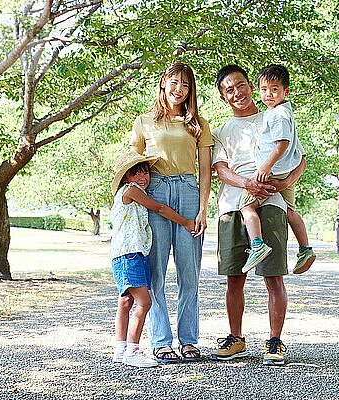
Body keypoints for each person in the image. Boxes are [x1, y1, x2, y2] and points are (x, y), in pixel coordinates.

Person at [209, 65, 307, 366]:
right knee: (234, 277)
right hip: (232, 207)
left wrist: (285, 183)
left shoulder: (275, 114)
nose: (236, 93)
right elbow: (220, 169)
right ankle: (236, 338)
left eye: (240, 85)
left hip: (272, 203)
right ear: (223, 97)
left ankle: (275, 341)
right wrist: (248, 183)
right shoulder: (221, 131)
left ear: (251, 86)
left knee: (273, 276)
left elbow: (299, 158)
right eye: (229, 89)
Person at [129, 63, 213, 363]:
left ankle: (189, 340)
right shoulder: (144, 121)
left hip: (189, 192)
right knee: (156, 273)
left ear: (191, 91)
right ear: (163, 83)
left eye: (186, 85)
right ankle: (162, 340)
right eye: (174, 82)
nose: (179, 89)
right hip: (156, 191)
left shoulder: (198, 124)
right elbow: (132, 166)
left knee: (189, 274)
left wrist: (203, 209)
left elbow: (205, 172)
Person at [110, 151, 197, 368]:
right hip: (130, 254)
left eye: (145, 171)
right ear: (125, 177)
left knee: (126, 301)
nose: (143, 176)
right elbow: (158, 207)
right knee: (144, 302)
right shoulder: (131, 191)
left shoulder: (129, 192)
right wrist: (185, 222)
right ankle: (133, 350)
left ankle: (120, 349)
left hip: (123, 255)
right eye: (135, 172)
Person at [239, 64, 316, 274]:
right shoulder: (285, 111)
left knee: (247, 206)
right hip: (287, 171)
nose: (269, 94)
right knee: (290, 211)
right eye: (264, 89)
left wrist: (266, 166)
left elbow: (282, 143)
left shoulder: (277, 115)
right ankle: (305, 249)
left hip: (273, 172)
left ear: (286, 91)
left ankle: (257, 245)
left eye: (274, 89)